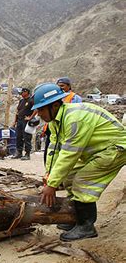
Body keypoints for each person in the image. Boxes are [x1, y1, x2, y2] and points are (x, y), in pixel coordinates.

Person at [33, 83, 125, 241]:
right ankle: (77, 218)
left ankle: (86, 226)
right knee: (69, 178)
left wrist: (52, 185)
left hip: (115, 149)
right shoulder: (56, 121)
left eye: (41, 109)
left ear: (54, 105)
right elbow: (54, 150)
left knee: (82, 181)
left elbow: (69, 155)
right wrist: (49, 176)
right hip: (98, 152)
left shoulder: (75, 119)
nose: (38, 114)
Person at [43, 77, 82, 164]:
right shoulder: (55, 97)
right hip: (53, 127)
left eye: (62, 86)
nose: (60, 88)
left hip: (66, 128)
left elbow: (76, 114)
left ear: (69, 86)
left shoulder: (75, 98)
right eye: (58, 86)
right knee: (50, 150)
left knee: (63, 151)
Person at [12, 87, 36, 160]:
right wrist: (14, 121)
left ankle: (27, 154)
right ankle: (19, 152)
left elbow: (36, 109)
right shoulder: (21, 101)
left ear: (26, 92)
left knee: (27, 137)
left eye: (22, 92)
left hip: (26, 122)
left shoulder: (31, 100)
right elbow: (17, 111)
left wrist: (30, 117)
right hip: (19, 121)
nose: (21, 93)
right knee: (18, 137)